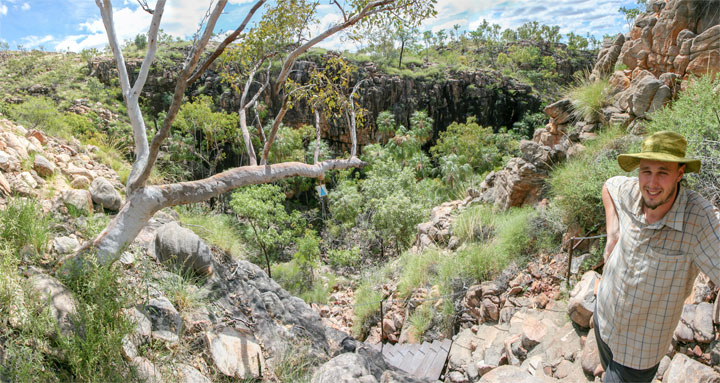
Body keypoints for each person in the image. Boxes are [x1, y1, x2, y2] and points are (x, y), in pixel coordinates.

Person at [595, 130, 720, 383]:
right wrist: (612, 232)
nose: (651, 183)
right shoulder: (630, 191)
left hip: (639, 351)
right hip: (604, 319)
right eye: (646, 171)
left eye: (662, 172)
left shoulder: (699, 221)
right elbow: (608, 186)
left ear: (680, 174)